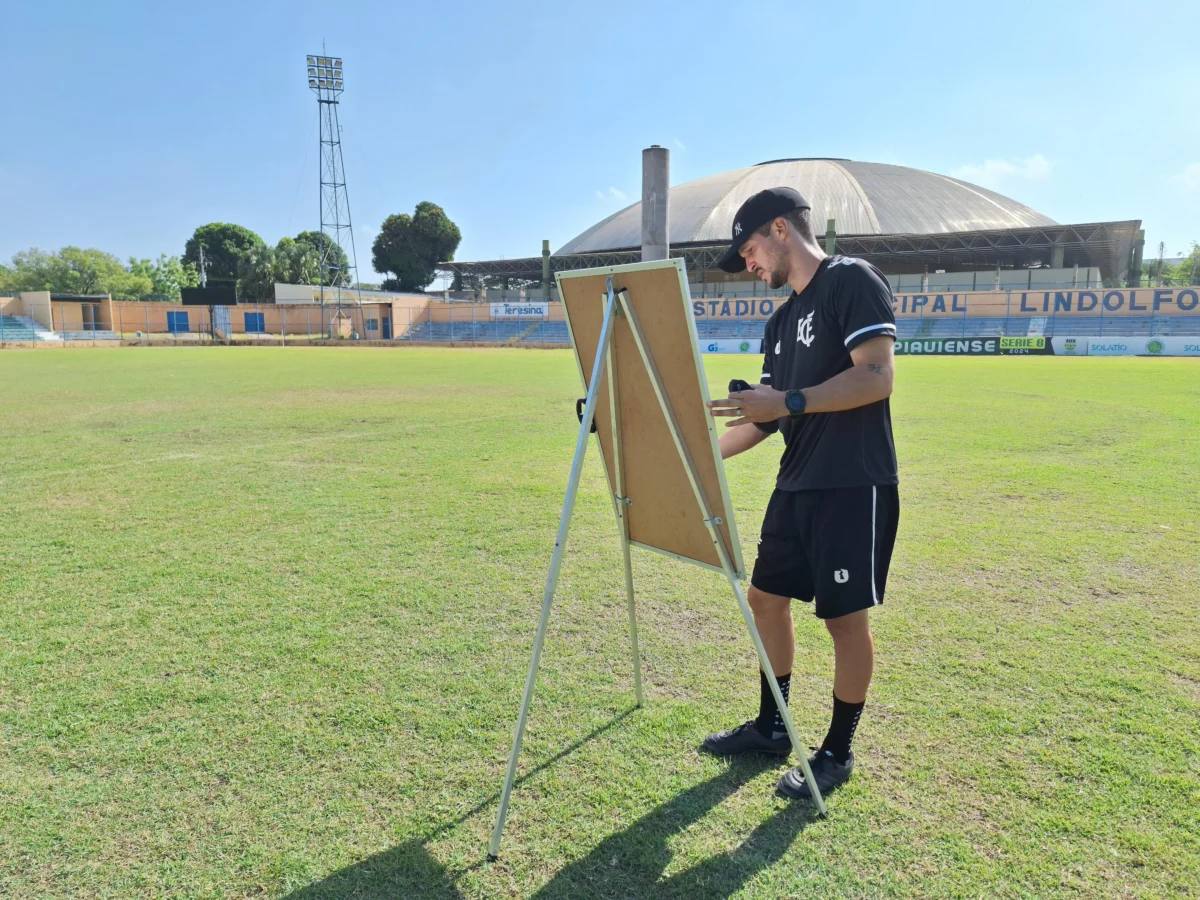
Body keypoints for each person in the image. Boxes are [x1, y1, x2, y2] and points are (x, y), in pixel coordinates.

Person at [702, 187, 900, 801]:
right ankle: (772, 727)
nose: (750, 266)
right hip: (797, 483)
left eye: (751, 250)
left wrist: (787, 401)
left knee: (845, 621)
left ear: (781, 229)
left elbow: (875, 376)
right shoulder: (780, 320)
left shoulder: (851, 281)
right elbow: (762, 420)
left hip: (851, 482)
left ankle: (837, 751)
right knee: (765, 598)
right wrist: (694, 456)